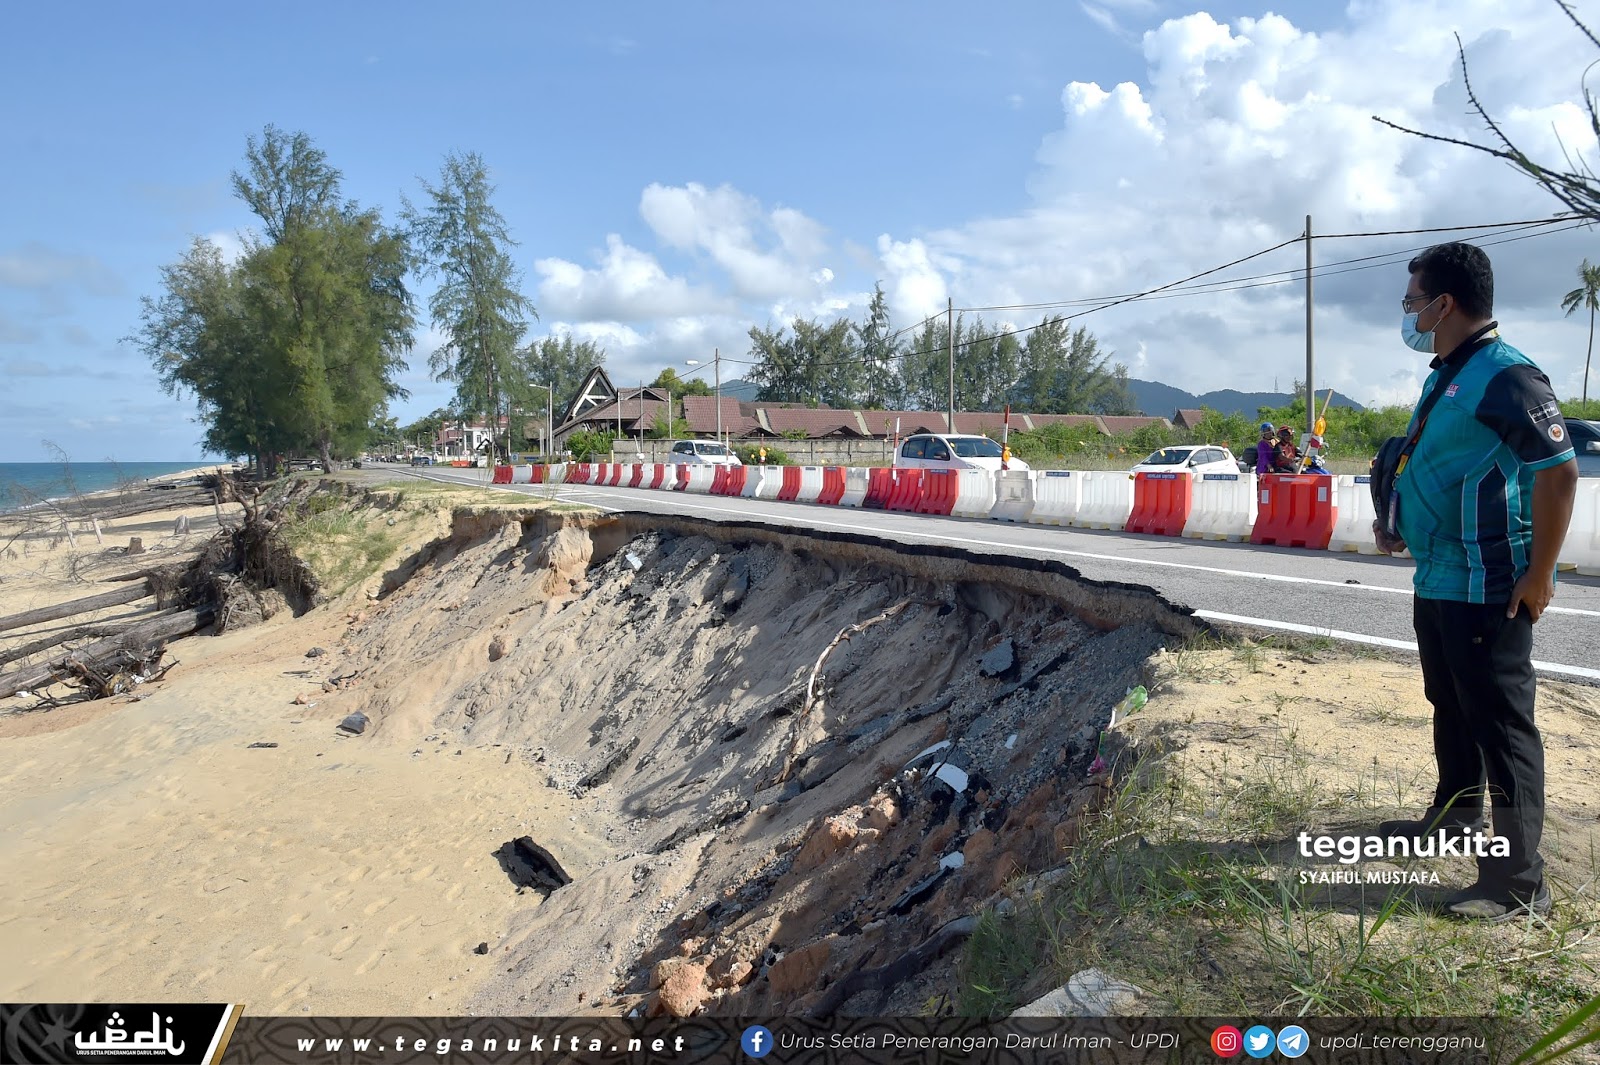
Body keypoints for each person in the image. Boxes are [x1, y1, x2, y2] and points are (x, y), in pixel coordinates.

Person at [1374, 241, 1578, 922]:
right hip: (1439, 578)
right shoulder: (1450, 371)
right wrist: (1402, 519)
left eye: (1413, 302)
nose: (1409, 314)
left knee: (1501, 725)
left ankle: (1520, 882)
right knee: (1450, 702)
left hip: (1491, 585)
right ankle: (1454, 817)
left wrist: (1541, 571)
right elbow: (1441, 462)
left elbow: (1559, 472)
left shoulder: (1508, 375)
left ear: (1444, 304)